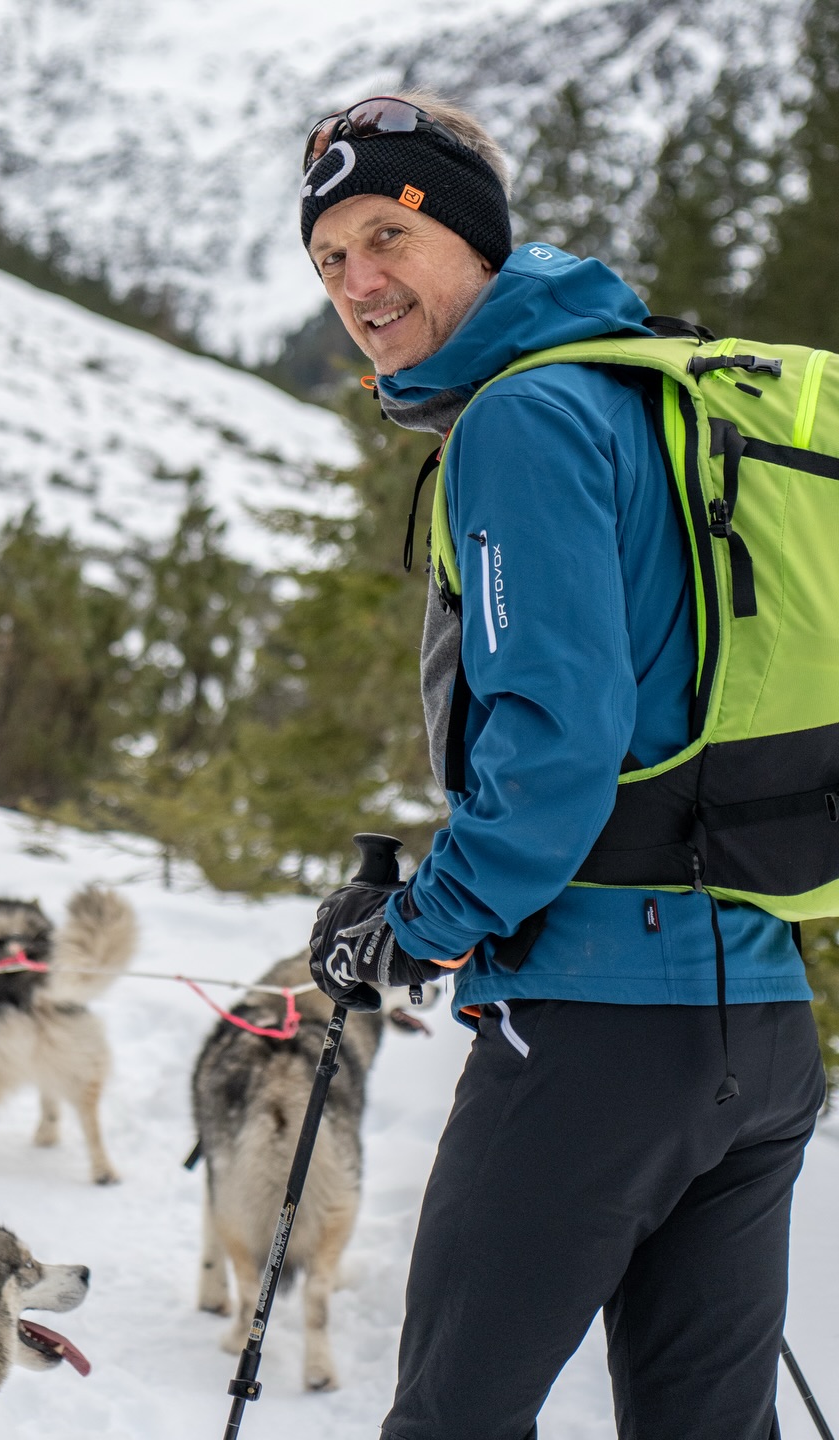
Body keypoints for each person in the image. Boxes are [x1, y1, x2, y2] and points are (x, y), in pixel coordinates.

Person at [300, 94, 825, 1439]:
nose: (359, 283)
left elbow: (557, 743)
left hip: (599, 1033)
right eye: (329, 260)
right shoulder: (645, 392)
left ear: (473, 243)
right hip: (760, 1028)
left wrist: (418, 926)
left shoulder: (523, 418)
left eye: (386, 238)